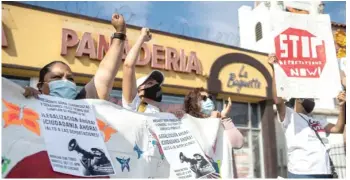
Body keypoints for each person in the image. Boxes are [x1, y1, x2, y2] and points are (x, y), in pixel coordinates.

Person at [268, 54, 346, 178]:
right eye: (310, 97)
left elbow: (338, 128)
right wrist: (275, 69)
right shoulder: (289, 116)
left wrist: (342, 106)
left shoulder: (318, 120)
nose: (312, 100)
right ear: (299, 99)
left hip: (325, 173)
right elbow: (277, 100)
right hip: (303, 173)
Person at [23, 13, 126, 101]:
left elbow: (106, 71)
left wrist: (120, 33)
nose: (65, 81)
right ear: (40, 86)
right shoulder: (32, 103)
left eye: (70, 78)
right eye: (56, 77)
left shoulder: (83, 101)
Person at [122, 28, 164, 113]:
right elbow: (128, 66)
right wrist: (142, 38)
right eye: (150, 83)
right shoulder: (134, 104)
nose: (156, 86)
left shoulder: (159, 111)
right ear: (139, 90)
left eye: (157, 84)